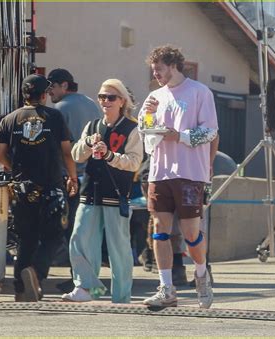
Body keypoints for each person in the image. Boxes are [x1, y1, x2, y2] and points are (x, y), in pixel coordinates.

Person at [140, 45, 218, 309]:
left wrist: (180, 136)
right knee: (160, 229)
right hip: (160, 172)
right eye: (154, 71)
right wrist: (148, 114)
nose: (156, 75)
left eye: (159, 70)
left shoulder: (199, 92)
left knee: (190, 233)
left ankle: (200, 273)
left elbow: (210, 132)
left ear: (173, 66)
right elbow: (145, 133)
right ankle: (166, 288)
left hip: (190, 174)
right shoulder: (154, 96)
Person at [0, 74, 78, 302]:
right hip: (51, 186)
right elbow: (66, 152)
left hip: (22, 189)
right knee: (53, 236)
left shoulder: (9, 119)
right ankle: (36, 273)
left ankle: (21, 290)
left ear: (24, 94)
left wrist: (16, 170)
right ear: (43, 95)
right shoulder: (54, 117)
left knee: (26, 239)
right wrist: (73, 177)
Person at [62, 79, 143, 303]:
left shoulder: (132, 128)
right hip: (90, 191)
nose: (105, 101)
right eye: (102, 97)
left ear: (122, 101)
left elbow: (135, 162)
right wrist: (87, 143)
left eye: (111, 97)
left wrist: (110, 156)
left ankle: (121, 297)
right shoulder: (93, 125)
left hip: (116, 194)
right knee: (79, 239)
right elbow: (77, 156)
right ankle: (87, 289)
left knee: (119, 250)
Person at [40, 68, 101, 292]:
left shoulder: (59, 109)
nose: (49, 93)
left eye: (52, 87)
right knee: (82, 230)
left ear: (64, 86)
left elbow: (58, 147)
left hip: (69, 176)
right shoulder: (91, 104)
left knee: (64, 229)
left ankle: (76, 278)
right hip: (91, 175)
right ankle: (82, 276)